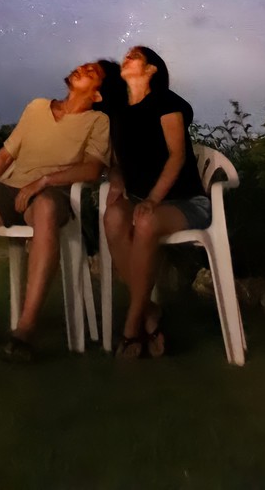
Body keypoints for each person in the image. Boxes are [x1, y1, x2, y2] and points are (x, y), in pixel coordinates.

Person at [0, 60, 111, 363]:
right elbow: (4, 155)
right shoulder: (37, 107)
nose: (82, 69)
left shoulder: (98, 120)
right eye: (83, 66)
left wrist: (44, 181)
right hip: (12, 190)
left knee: (48, 208)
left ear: (98, 94)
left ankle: (25, 329)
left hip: (52, 193)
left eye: (92, 73)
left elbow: (92, 168)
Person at [102, 45, 210, 359]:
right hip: (138, 199)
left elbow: (177, 157)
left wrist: (152, 199)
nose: (127, 56)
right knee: (112, 218)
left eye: (136, 55)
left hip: (185, 200)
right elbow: (115, 161)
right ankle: (150, 313)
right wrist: (117, 177)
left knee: (145, 220)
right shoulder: (118, 110)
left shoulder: (167, 102)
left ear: (151, 70)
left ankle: (132, 326)